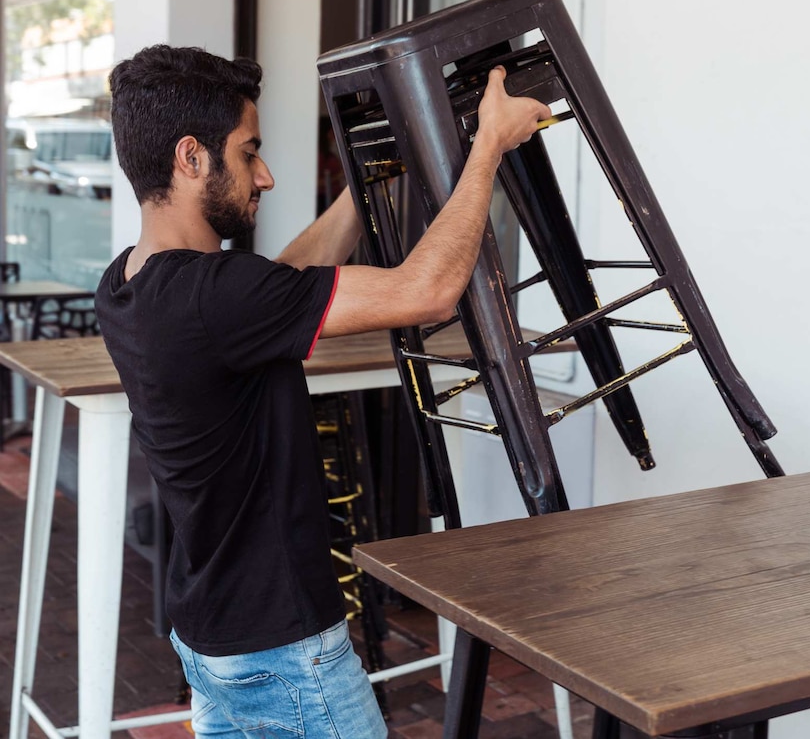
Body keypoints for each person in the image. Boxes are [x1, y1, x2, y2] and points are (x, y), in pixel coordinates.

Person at [95, 44, 550, 738]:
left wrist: (361, 186)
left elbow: (276, 286)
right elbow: (427, 292)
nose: (267, 176)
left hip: (212, 635)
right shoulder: (216, 297)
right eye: (249, 153)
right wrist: (488, 146)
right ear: (191, 158)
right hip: (284, 651)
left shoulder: (128, 282)